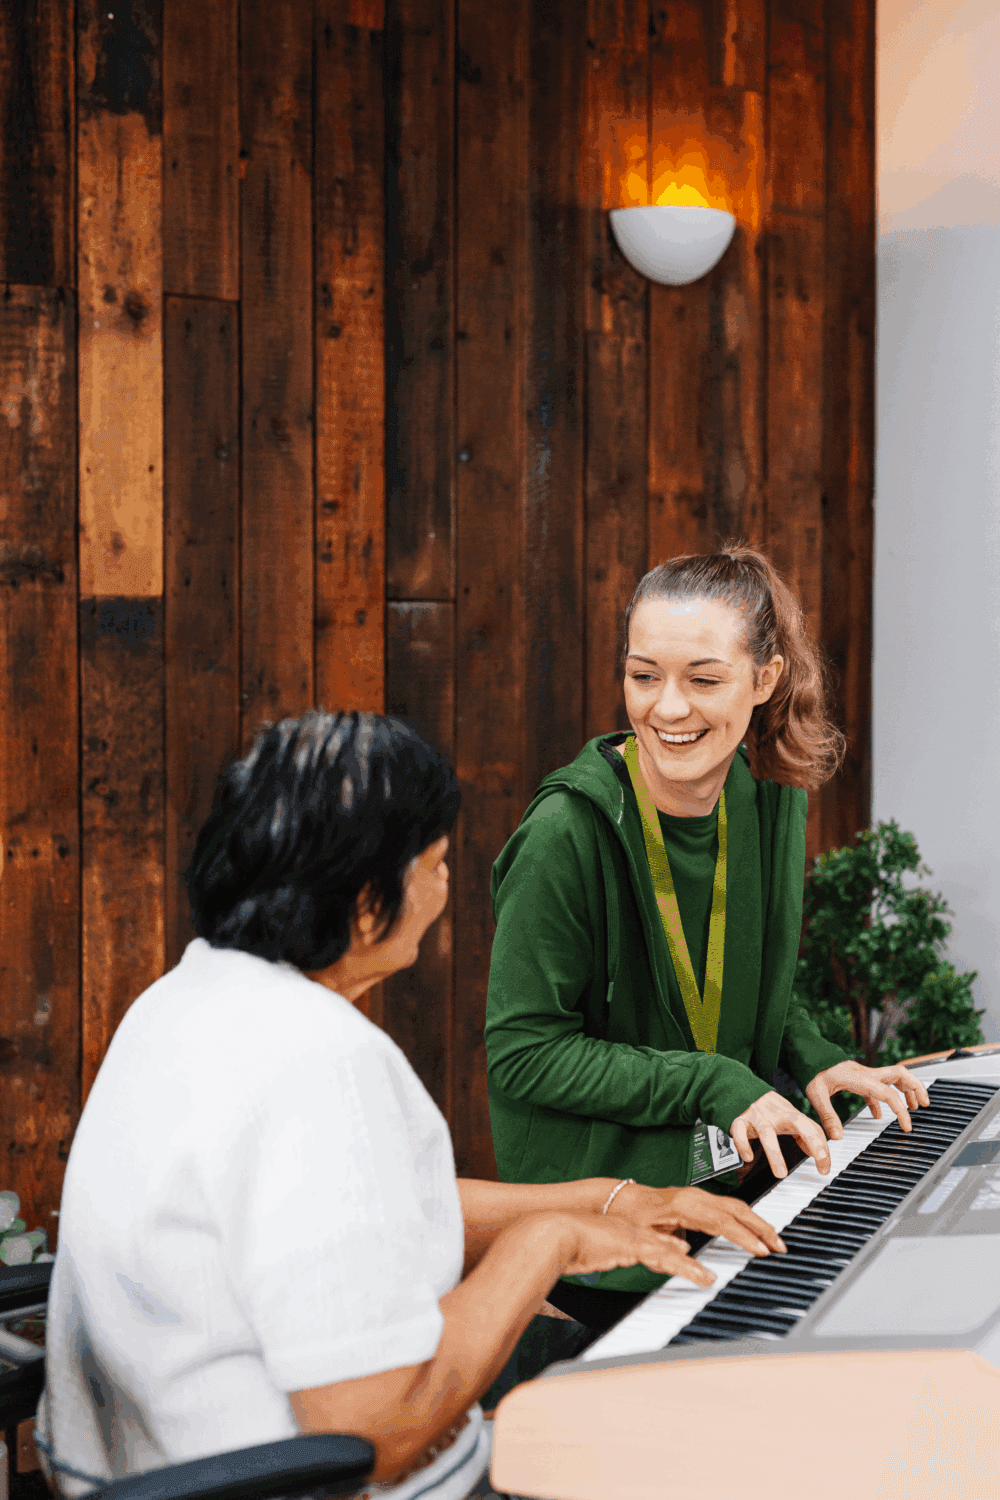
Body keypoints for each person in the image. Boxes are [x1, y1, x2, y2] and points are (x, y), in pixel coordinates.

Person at [38, 710, 785, 1500]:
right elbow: (372, 1432)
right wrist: (547, 1246)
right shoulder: (319, 1060)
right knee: (720, 1443)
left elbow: (353, 1217)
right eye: (433, 864)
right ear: (366, 906)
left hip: (136, 1468)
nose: (447, 885)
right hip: (297, 1478)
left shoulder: (187, 998)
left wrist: (613, 1201)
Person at [485, 547, 931, 1333]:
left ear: (764, 681)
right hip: (611, 1247)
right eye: (643, 675)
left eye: (703, 677)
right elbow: (524, 1054)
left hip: (735, 1197)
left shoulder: (763, 804)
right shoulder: (565, 833)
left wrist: (818, 1056)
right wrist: (712, 1083)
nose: (668, 708)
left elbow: (749, 983)